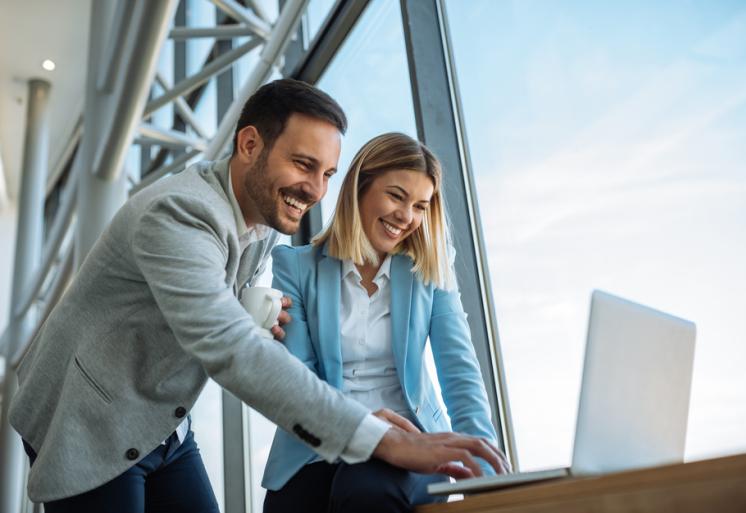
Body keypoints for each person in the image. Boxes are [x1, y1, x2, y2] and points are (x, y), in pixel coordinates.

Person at [8, 80, 506, 513]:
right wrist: (385, 441)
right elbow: (231, 349)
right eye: (303, 164)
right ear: (249, 144)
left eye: (327, 174)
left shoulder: (266, 218)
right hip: (91, 413)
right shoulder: (180, 213)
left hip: (164, 421)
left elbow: (220, 310)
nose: (314, 189)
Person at [262, 132, 502, 513]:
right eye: (396, 196)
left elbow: (459, 372)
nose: (407, 217)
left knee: (368, 490)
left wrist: (487, 473)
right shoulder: (296, 267)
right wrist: (359, 426)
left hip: (411, 441)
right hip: (316, 444)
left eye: (421, 206)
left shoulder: (430, 269)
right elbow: (298, 377)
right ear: (360, 187)